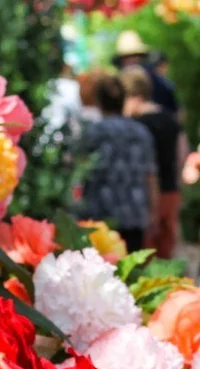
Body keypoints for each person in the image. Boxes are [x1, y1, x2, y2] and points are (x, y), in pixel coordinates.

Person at [77, 69, 156, 252]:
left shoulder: (93, 132)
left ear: (99, 102)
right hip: (135, 214)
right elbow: (150, 175)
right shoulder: (141, 132)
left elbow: (79, 173)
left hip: (99, 215)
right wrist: (153, 212)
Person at [122, 66, 187, 260]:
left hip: (145, 195)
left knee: (144, 254)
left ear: (133, 96)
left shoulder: (136, 126)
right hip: (170, 190)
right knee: (166, 250)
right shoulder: (170, 119)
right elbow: (182, 153)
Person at [113, 30, 179, 115]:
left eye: (134, 56)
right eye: (127, 57)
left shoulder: (156, 79)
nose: (131, 60)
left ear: (141, 57)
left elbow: (174, 109)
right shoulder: (117, 83)